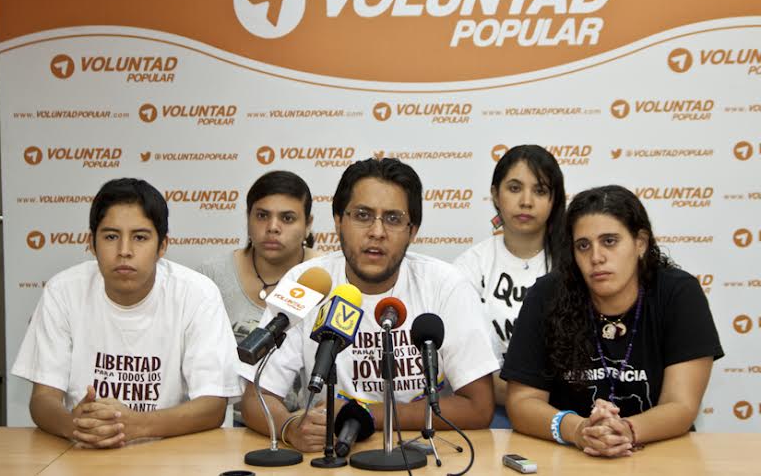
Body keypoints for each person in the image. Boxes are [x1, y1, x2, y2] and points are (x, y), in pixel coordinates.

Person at [239, 158, 497, 452]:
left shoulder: (445, 286)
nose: (377, 232)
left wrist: (363, 417)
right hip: (332, 457)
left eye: (393, 219)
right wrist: (289, 428)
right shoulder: (306, 282)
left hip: (424, 457)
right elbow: (256, 396)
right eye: (362, 215)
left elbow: (478, 407)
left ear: (413, 231)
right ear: (338, 221)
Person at [12, 178, 241, 448]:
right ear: (91, 243)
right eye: (111, 237)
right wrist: (76, 426)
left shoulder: (198, 294)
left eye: (140, 237)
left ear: (163, 246)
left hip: (172, 453)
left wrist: (134, 425)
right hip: (87, 454)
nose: (124, 251)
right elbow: (42, 399)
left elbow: (212, 405)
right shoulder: (63, 291)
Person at [501, 185, 723, 457]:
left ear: (640, 243)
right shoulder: (547, 296)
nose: (596, 257)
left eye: (609, 241)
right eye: (583, 246)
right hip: (570, 455)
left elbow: (681, 405)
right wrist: (579, 430)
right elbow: (522, 402)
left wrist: (625, 430)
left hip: (658, 451)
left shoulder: (678, 293)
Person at [453, 145, 565, 422]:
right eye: (514, 188)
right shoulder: (469, 267)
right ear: (495, 194)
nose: (526, 201)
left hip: (565, 406)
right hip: (491, 408)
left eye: (540, 191)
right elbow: (462, 363)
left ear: (554, 200)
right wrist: (525, 399)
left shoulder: (574, 264)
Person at [199, 170, 318, 424]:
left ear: (308, 224)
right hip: (225, 428)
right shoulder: (211, 277)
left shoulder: (325, 277)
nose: (273, 228)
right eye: (262, 216)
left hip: (308, 429)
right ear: (248, 218)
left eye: (287, 218)